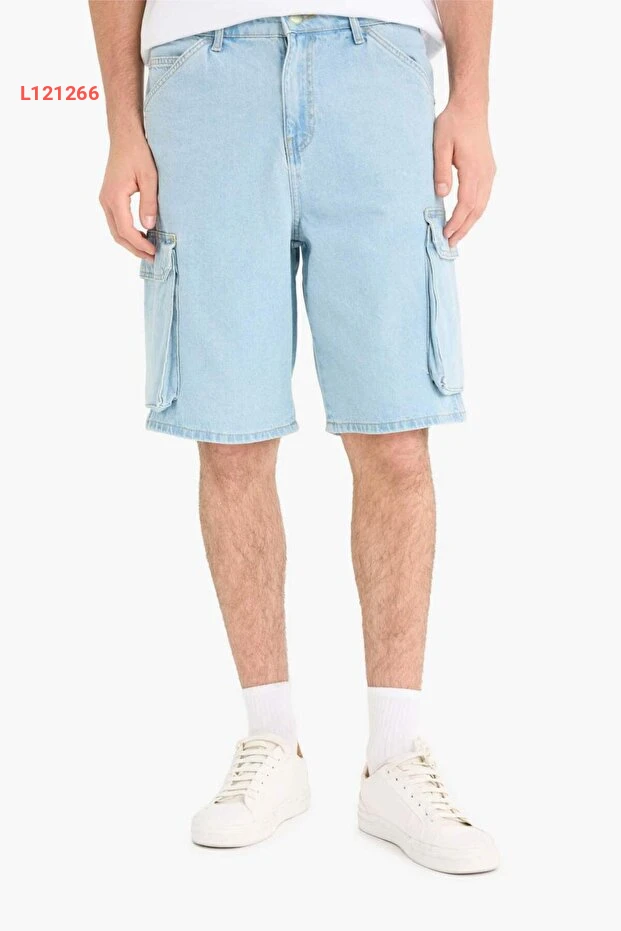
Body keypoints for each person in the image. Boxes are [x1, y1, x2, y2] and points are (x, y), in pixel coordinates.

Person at [90, 0, 498, 874]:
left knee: (396, 432)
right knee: (229, 436)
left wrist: (470, 98)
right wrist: (121, 123)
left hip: (375, 63)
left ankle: (394, 755)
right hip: (203, 76)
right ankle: (271, 741)